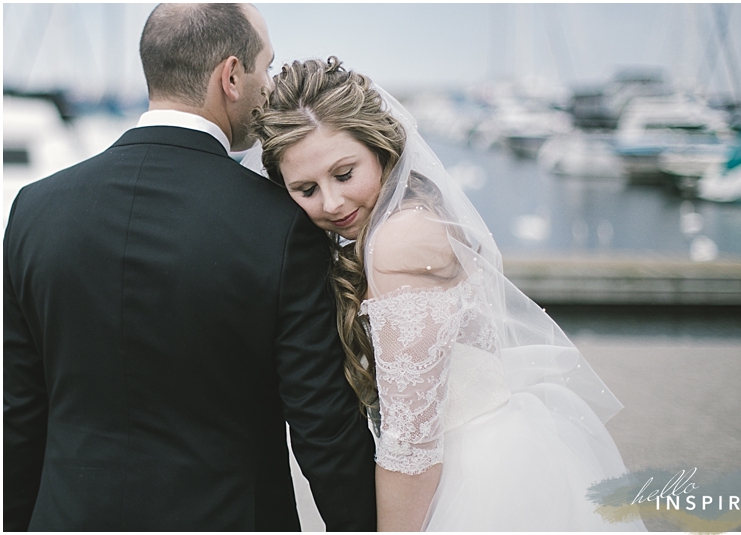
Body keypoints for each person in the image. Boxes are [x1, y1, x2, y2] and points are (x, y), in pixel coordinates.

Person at [4, 6, 375, 531]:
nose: (267, 87)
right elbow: (323, 430)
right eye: (264, 68)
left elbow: (19, 415)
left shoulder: (33, 210)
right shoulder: (280, 225)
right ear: (230, 76)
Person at [252, 57, 647, 532]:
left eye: (344, 173)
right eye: (305, 189)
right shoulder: (415, 215)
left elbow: (411, 443)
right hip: (502, 449)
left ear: (380, 149)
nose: (332, 203)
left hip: (472, 477)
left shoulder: (395, 242)